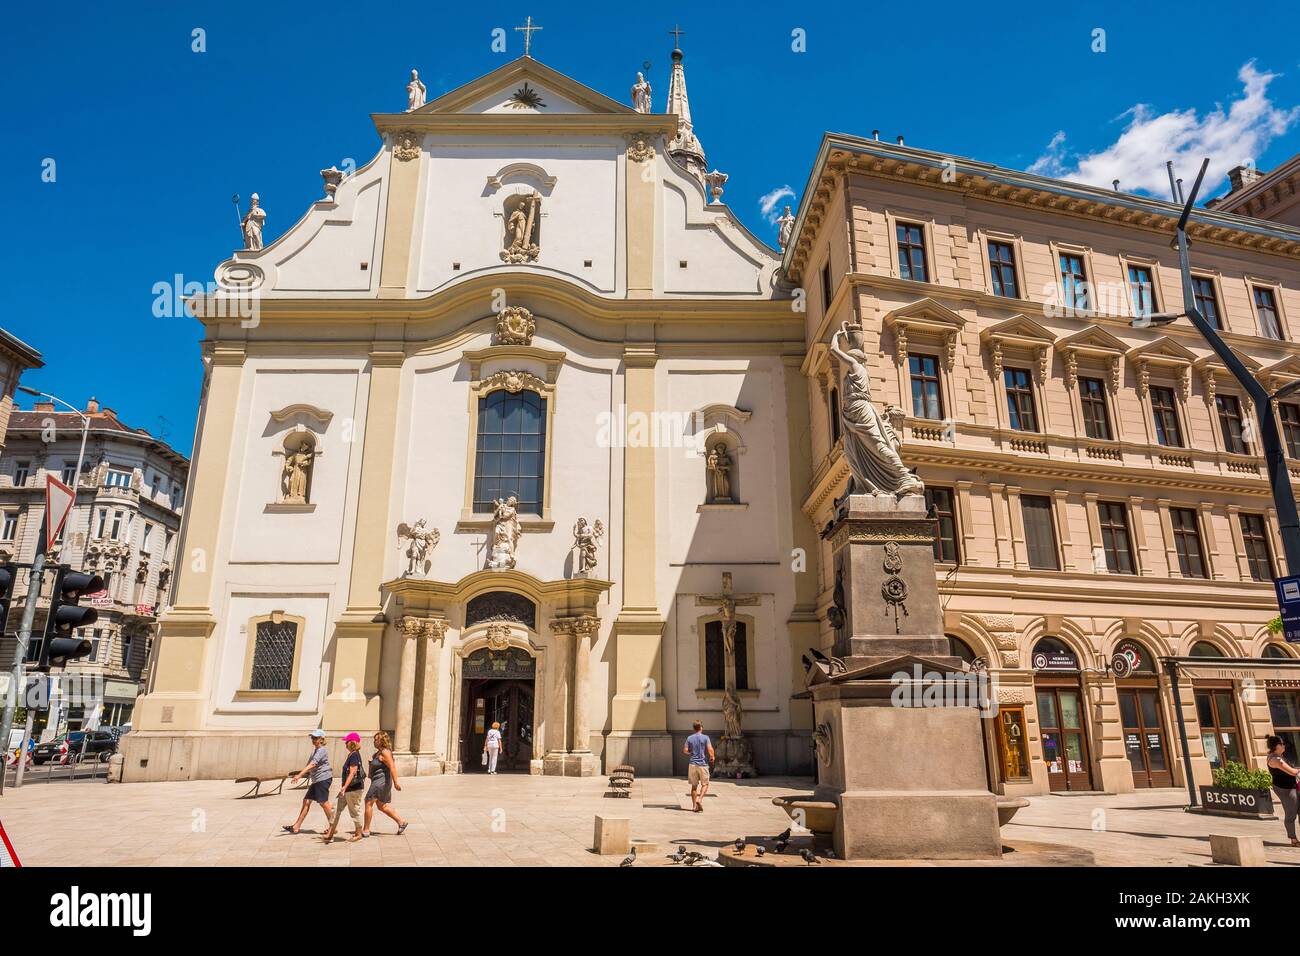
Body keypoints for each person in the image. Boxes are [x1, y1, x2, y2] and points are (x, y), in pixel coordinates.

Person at [283, 729, 333, 834]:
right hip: (316, 780)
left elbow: (313, 764)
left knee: (324, 803)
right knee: (306, 801)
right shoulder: (316, 750)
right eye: (312, 737)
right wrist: (306, 773)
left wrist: (299, 775)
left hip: (322, 779)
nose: (313, 739)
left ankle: (333, 826)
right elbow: (310, 765)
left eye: (315, 738)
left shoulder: (321, 750)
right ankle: (296, 827)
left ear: (321, 739)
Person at [322, 732, 366, 844]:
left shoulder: (355, 755)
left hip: (353, 788)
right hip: (347, 789)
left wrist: (344, 787)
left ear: (352, 743)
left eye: (347, 741)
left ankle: (358, 833)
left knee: (354, 810)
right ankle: (331, 833)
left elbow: (352, 772)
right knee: (335, 809)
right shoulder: (352, 754)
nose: (345, 743)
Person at [363, 732, 408, 837]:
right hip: (378, 781)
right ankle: (401, 822)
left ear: (382, 741)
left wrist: (396, 782)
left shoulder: (385, 752)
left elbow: (392, 767)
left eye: (376, 740)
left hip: (381, 782)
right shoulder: (378, 753)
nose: (374, 741)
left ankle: (366, 830)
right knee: (381, 805)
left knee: (368, 802)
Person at [1267, 735, 1299, 847]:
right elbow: (1292, 772)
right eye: (1282, 744)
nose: (1284, 746)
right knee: (1291, 813)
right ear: (1277, 746)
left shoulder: (1279, 756)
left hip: (1292, 786)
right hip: (1285, 789)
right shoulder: (1275, 759)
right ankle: (1293, 839)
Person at [683, 720, 715, 813]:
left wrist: (691, 752)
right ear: (701, 727)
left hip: (692, 764)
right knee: (705, 784)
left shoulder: (689, 738)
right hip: (702, 764)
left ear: (694, 728)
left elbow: (685, 750)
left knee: (694, 786)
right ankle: (699, 800)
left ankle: (694, 807)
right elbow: (709, 749)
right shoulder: (705, 738)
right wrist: (712, 757)